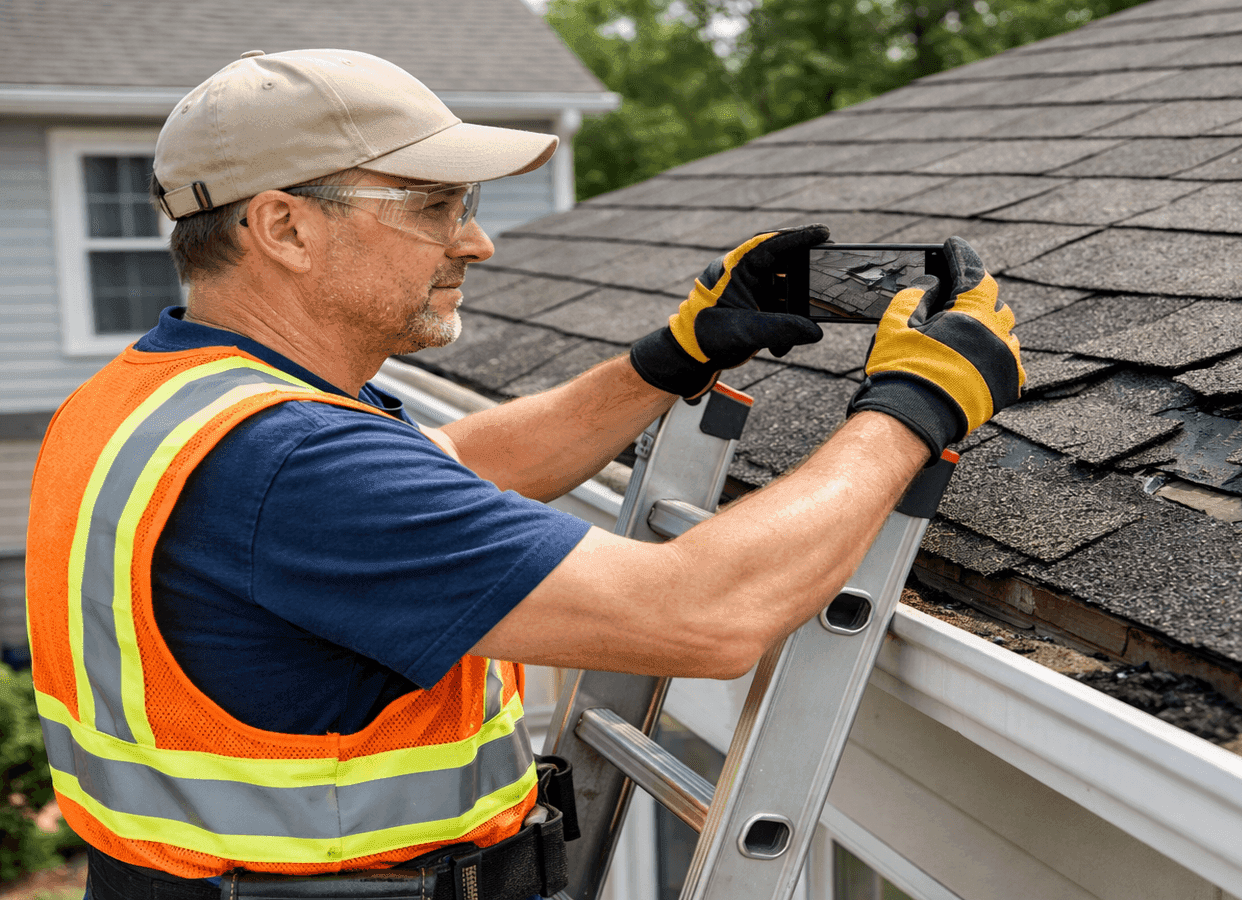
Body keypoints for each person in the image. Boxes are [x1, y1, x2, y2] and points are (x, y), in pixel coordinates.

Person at [26, 49, 1023, 900]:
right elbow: (706, 613)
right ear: (284, 228)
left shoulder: (166, 396)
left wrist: (672, 357)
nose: (477, 240)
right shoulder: (294, 462)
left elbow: (450, 472)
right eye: (434, 207)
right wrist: (914, 408)